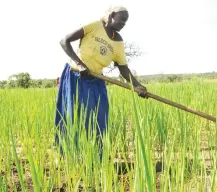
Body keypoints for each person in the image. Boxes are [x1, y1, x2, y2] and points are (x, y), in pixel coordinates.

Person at [54, 5, 148, 161]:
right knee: (75, 118)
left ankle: (97, 159)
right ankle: (72, 159)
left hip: (96, 80)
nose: (123, 24)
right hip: (75, 76)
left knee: (100, 119)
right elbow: (64, 41)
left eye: (126, 22)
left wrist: (137, 85)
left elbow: (123, 67)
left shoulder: (118, 41)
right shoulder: (94, 26)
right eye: (122, 20)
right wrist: (81, 64)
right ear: (111, 15)